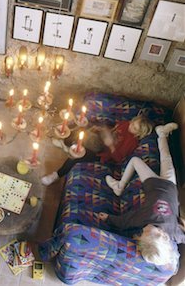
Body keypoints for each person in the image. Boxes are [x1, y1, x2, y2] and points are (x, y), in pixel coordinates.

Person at [100, 122, 185, 267]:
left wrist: (108, 218)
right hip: (170, 185)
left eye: (141, 233)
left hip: (152, 183)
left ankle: (119, 186)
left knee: (135, 161)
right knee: (166, 158)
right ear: (161, 235)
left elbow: (125, 221)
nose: (143, 229)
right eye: (146, 232)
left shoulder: (144, 221)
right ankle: (161, 133)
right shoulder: (174, 233)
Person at [41, 114, 153, 186]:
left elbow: (118, 159)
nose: (131, 125)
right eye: (133, 122)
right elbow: (113, 129)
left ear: (139, 133)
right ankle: (66, 146)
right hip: (100, 139)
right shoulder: (126, 124)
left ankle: (56, 175)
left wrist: (111, 146)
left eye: (134, 127)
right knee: (77, 132)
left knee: (76, 156)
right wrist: (100, 129)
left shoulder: (132, 142)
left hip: (102, 154)